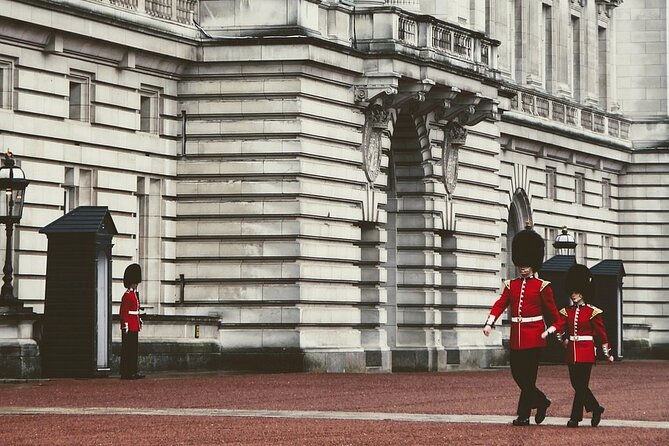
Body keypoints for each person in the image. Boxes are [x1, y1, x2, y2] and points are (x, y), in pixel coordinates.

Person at [483, 226, 559, 426]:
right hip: (517, 336)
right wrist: (490, 322)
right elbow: (501, 303)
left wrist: (557, 330)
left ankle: (524, 415)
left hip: (535, 337)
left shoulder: (543, 286)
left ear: (533, 264)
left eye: (527, 264)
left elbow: (553, 313)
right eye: (521, 264)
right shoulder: (512, 285)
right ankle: (542, 401)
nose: (523, 268)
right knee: (518, 374)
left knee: (528, 378)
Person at [541, 263, 614, 427]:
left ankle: (575, 418)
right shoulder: (567, 311)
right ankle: (596, 408)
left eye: (577, 292)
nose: (574, 295)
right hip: (572, 352)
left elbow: (602, 334)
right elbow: (560, 324)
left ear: (584, 293)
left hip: (587, 351)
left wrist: (607, 353)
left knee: (581, 385)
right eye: (572, 292)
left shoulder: (593, 312)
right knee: (577, 384)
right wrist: (552, 333)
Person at [120, 263, 144, 380]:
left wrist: (139, 320)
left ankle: (133, 370)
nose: (136, 284)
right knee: (127, 350)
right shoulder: (127, 295)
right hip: (129, 325)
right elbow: (124, 312)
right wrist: (125, 326)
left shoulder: (134, 294)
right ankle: (126, 371)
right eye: (135, 282)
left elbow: (136, 310)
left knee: (133, 350)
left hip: (134, 324)